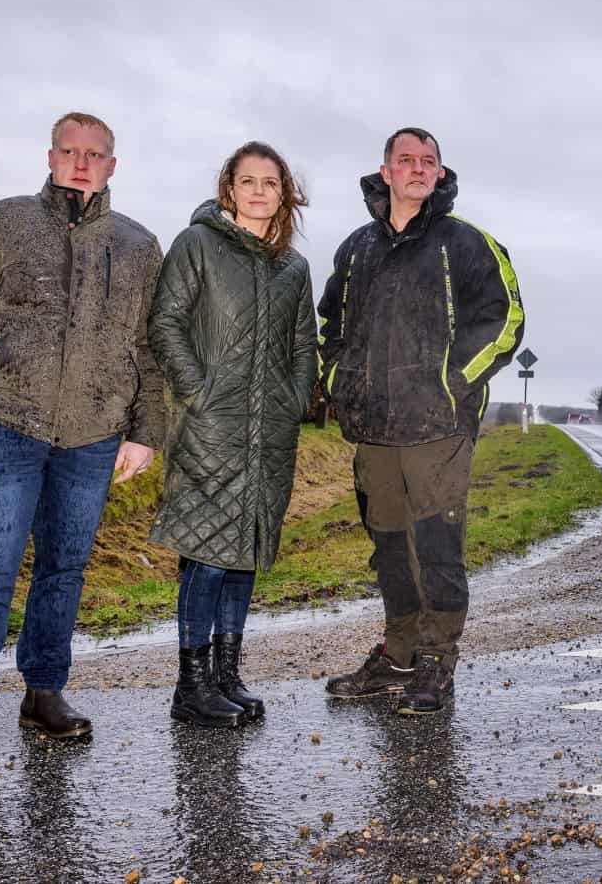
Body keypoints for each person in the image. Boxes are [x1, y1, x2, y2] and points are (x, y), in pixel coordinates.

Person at [0, 112, 164, 753]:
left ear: (113, 164)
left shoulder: (139, 246)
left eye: (95, 154)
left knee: (64, 568)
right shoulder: (3, 222)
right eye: (69, 150)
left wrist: (145, 431)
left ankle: (44, 693)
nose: (81, 162)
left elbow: (148, 346)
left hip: (92, 436)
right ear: (50, 156)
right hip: (6, 427)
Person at [319, 127, 524, 714]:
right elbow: (328, 327)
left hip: (439, 428)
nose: (416, 169)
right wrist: (340, 385)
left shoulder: (468, 244)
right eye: (404, 160)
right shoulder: (355, 249)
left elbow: (506, 321)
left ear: (439, 173)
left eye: (427, 161)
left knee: (435, 546)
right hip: (375, 430)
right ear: (385, 171)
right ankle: (399, 655)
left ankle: (437, 661)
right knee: (389, 548)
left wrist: (452, 383)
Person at [147, 142, 316, 727]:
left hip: (269, 432)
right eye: (249, 180)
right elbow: (165, 320)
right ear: (229, 188)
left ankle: (226, 675)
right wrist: (198, 392)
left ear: (284, 193)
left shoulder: (293, 266)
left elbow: (303, 345)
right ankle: (190, 686)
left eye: (271, 182)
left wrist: (293, 401)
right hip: (211, 429)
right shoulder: (197, 245)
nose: (260, 191)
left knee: (243, 554)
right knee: (207, 555)